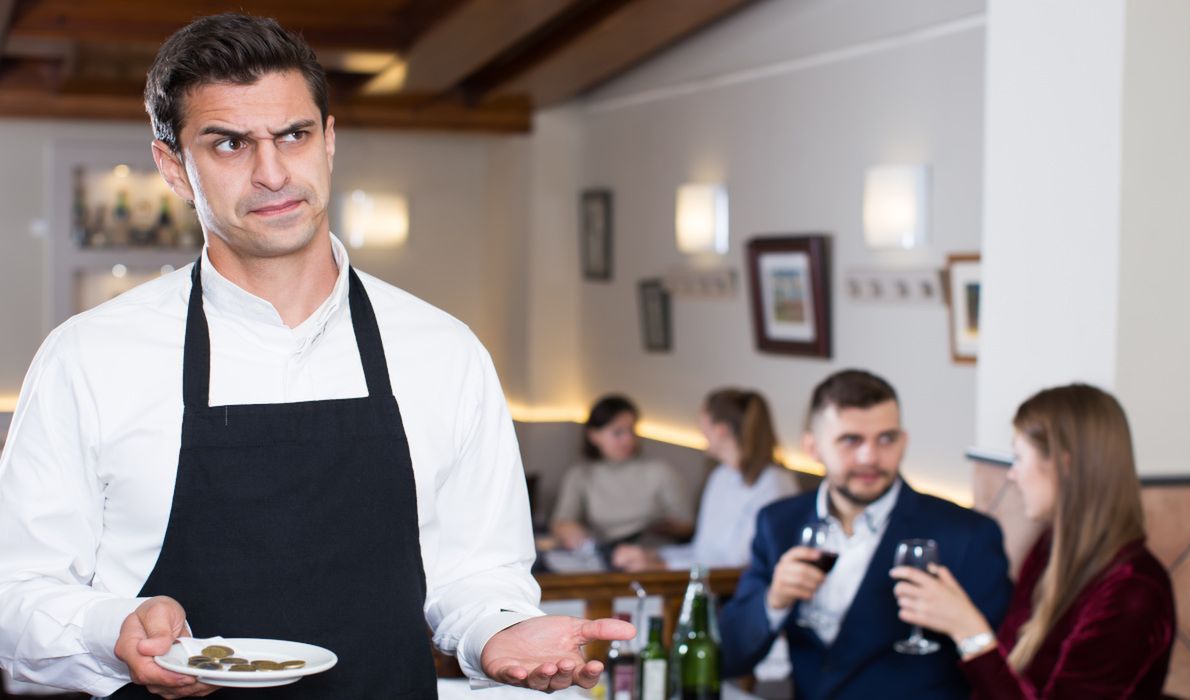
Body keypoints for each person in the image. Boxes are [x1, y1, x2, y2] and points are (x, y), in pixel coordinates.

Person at [0, 14, 632, 699]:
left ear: (328, 141)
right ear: (173, 168)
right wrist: (111, 625)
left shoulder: (442, 352)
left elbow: (477, 575)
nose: (271, 173)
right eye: (229, 144)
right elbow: (16, 598)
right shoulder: (88, 358)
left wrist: (497, 633)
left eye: (293, 135)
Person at [719, 369, 1011, 699]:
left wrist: (962, 625)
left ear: (904, 441)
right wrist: (773, 601)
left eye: (886, 439)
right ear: (812, 447)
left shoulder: (968, 535)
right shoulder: (778, 523)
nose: (870, 457)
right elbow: (730, 656)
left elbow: (1002, 673)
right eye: (851, 440)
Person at [892, 384, 1175, 698]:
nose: (1011, 475)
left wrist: (969, 631)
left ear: (1064, 466)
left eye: (1018, 458)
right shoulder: (1048, 550)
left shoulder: (1133, 592)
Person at [612, 388, 799, 572]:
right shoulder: (721, 476)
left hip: (734, 591)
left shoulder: (774, 484)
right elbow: (701, 552)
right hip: (705, 581)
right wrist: (652, 556)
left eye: (703, 424)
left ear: (720, 431)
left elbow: (738, 565)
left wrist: (660, 567)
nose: (700, 432)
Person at [551, 395, 694, 550]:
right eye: (618, 433)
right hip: (605, 555)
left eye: (632, 431)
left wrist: (663, 528)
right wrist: (570, 531)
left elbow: (687, 526)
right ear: (594, 436)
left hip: (651, 555)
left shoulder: (660, 471)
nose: (628, 440)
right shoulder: (581, 475)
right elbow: (561, 521)